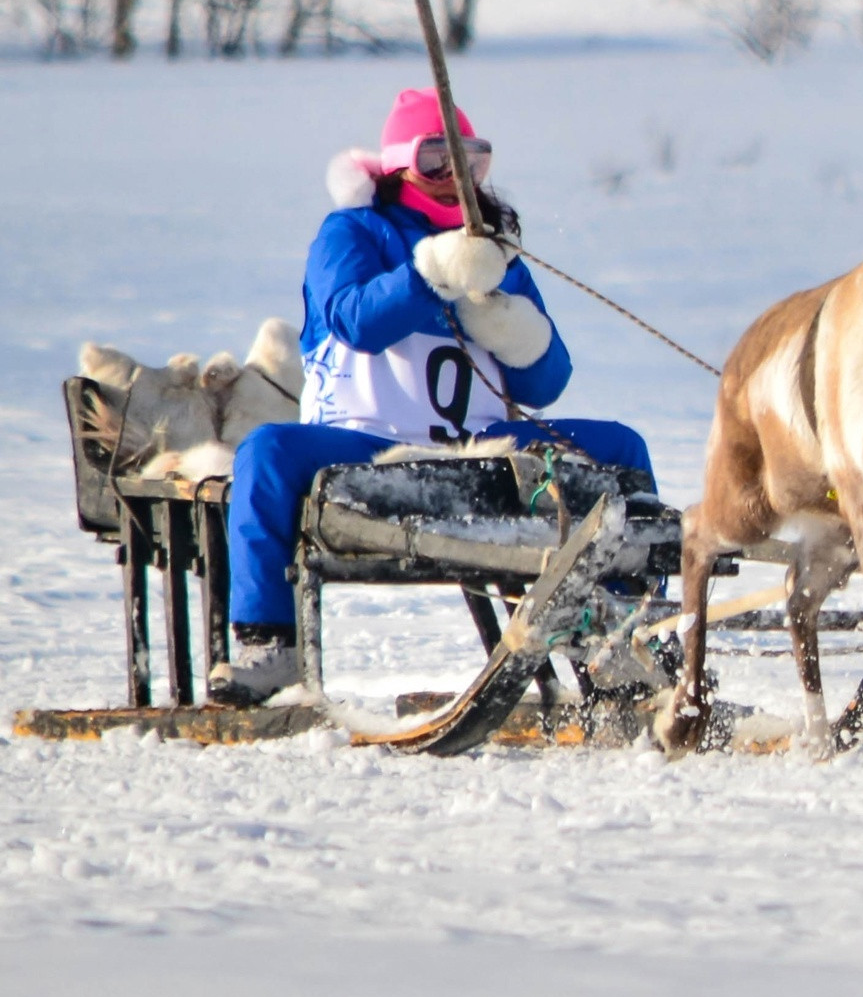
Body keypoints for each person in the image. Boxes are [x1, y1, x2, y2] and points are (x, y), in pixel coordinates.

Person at [208, 89, 652, 706]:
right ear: (396, 165)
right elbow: (355, 320)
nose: (456, 178)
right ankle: (268, 645)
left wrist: (516, 333)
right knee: (266, 451)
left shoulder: (495, 252)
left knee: (621, 447)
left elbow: (545, 386)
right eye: (436, 159)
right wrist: (429, 274)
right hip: (366, 441)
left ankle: (632, 643)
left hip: (480, 449)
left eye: (471, 160)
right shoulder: (351, 232)